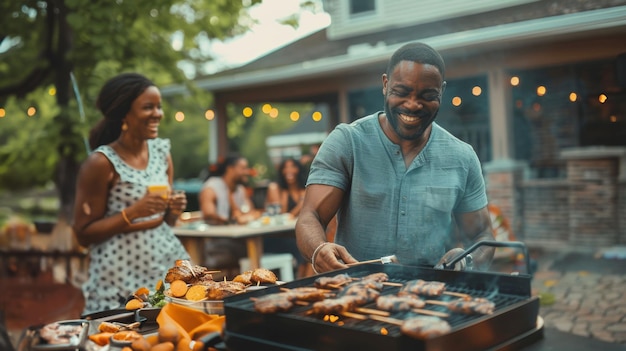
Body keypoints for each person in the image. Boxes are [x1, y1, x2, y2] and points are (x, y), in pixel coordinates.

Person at [296, 42, 495, 274]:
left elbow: (483, 236)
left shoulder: (462, 157)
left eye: (427, 95)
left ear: (441, 91)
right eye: (401, 92)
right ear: (385, 84)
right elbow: (310, 216)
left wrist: (466, 261)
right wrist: (319, 249)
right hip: (355, 291)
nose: (412, 105)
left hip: (429, 297)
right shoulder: (348, 142)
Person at [72, 72, 189, 314]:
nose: (157, 114)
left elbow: (165, 223)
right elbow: (83, 234)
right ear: (124, 113)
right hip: (118, 274)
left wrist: (172, 211)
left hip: (163, 264)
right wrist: (134, 211)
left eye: (159, 107)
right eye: (148, 107)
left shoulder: (161, 153)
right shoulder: (101, 162)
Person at [264, 158, 308, 277]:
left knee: (308, 243)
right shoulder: (275, 188)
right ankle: (301, 280)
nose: (289, 170)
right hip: (274, 237)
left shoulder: (303, 189)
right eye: (285, 167)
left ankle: (305, 278)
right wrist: (299, 205)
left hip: (294, 234)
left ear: (298, 169)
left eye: (292, 166)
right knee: (299, 245)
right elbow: (280, 214)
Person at [198, 154, 261, 225]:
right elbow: (209, 215)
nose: (247, 172)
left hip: (239, 233)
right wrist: (234, 221)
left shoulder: (241, 190)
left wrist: (242, 217)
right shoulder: (211, 188)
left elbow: (251, 212)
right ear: (230, 169)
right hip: (217, 234)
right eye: (243, 168)